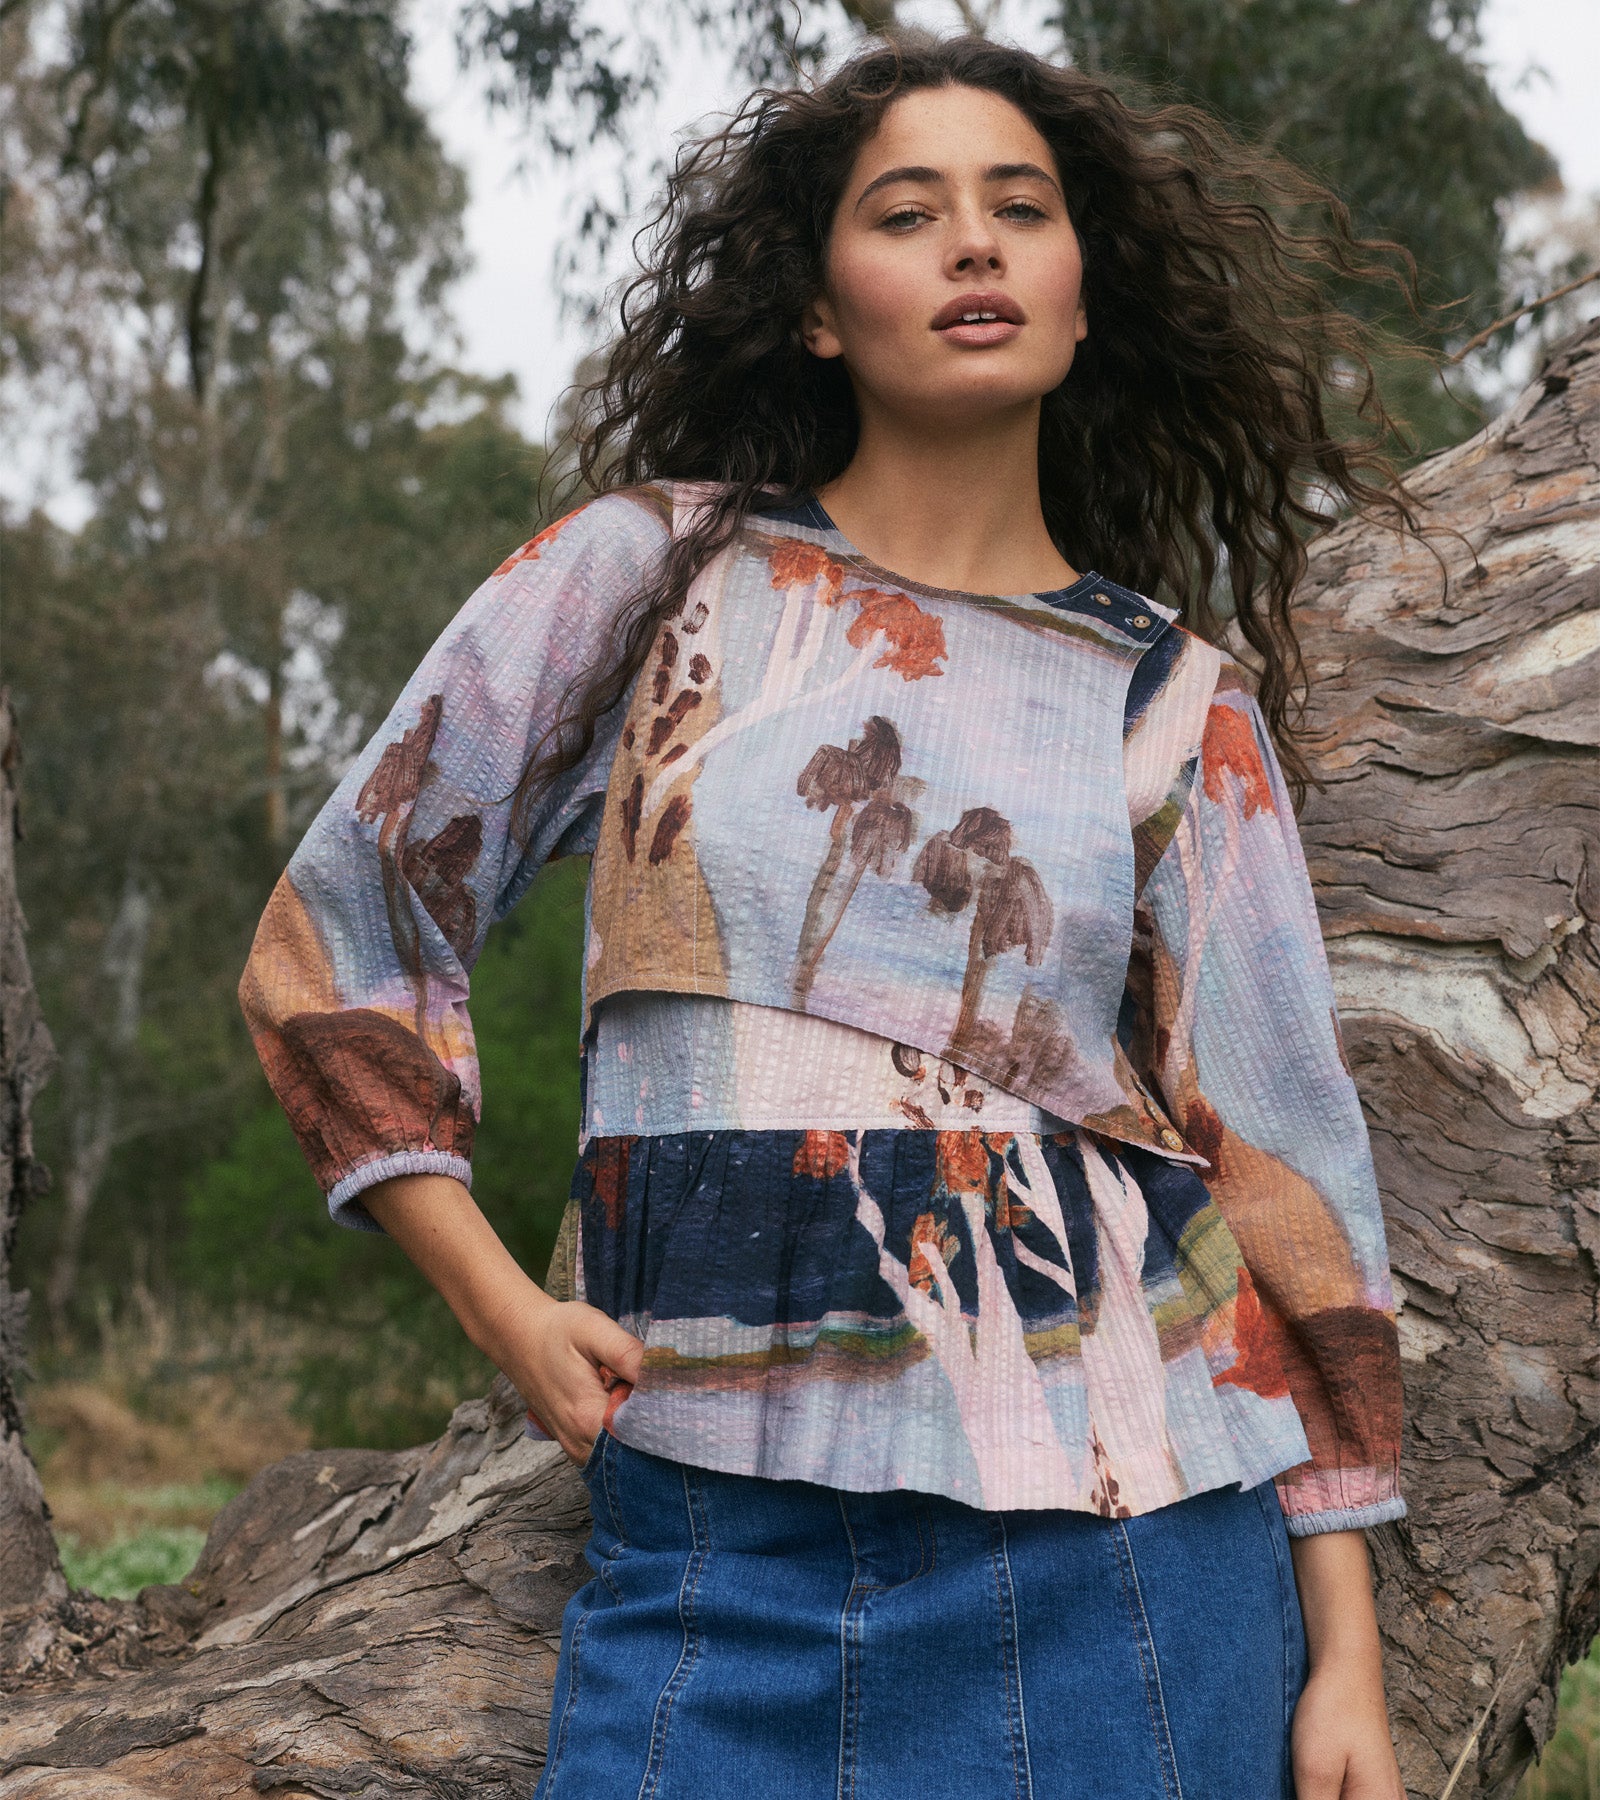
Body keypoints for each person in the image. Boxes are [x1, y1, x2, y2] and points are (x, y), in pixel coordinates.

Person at [240, 31, 1423, 1799]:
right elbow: (342, 926)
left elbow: (1289, 1172)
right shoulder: (654, 577)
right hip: (706, 1553)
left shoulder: (1173, 699)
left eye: (1020, 207)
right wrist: (498, 1305)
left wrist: (1348, 1664)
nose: (974, 242)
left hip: (1122, 1568)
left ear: (1083, 294)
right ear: (815, 308)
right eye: (907, 211)